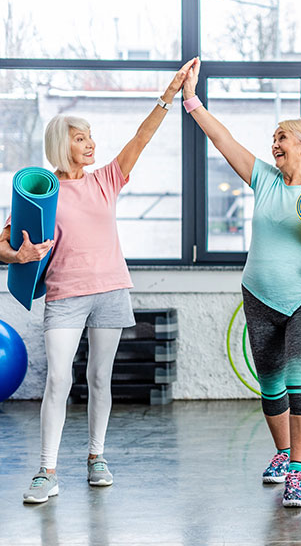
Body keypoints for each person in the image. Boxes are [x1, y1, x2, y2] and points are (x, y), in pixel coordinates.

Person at [180, 58, 301, 507]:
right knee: (270, 382)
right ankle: (283, 454)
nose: (275, 144)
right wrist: (191, 99)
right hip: (258, 294)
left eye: (282, 137)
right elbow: (222, 139)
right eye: (274, 138)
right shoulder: (265, 181)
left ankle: (300, 473)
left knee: (298, 375)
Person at [1, 59, 195, 504]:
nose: (91, 144)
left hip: (110, 289)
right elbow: (4, 244)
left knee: (100, 378)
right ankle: (46, 471)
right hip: (66, 295)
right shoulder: (40, 190)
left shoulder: (107, 179)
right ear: (60, 144)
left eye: (91, 137)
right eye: (81, 137)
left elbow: (140, 140)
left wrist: (168, 96)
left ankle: (96, 457)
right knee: (58, 381)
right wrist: (20, 254)